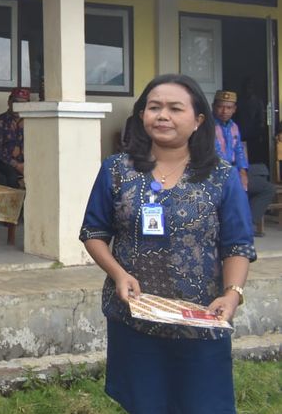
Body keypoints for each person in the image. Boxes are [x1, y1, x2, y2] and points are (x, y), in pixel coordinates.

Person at [80, 73, 256, 414]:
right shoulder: (117, 169)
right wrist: (118, 274)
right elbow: (94, 233)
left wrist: (232, 294)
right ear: (142, 115)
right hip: (135, 317)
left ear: (198, 120)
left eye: (175, 108)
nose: (163, 116)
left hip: (201, 319)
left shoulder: (221, 175)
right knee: (145, 404)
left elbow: (237, 245)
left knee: (203, 405)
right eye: (154, 107)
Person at [212, 89, 275, 237]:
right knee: (237, 189)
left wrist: (243, 171)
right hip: (215, 173)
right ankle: (237, 227)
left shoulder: (234, 126)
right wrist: (234, 174)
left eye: (228, 107)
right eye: (221, 106)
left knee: (267, 189)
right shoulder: (207, 126)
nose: (224, 111)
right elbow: (215, 154)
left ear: (234, 109)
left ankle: (246, 224)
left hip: (234, 171)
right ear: (213, 106)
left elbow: (239, 150)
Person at [0, 87, 29, 188]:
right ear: (9, 102)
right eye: (15, 102)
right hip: (3, 161)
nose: (18, 106)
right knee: (11, 176)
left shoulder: (31, 123)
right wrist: (16, 165)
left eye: (22, 103)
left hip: (25, 162)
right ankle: (16, 204)